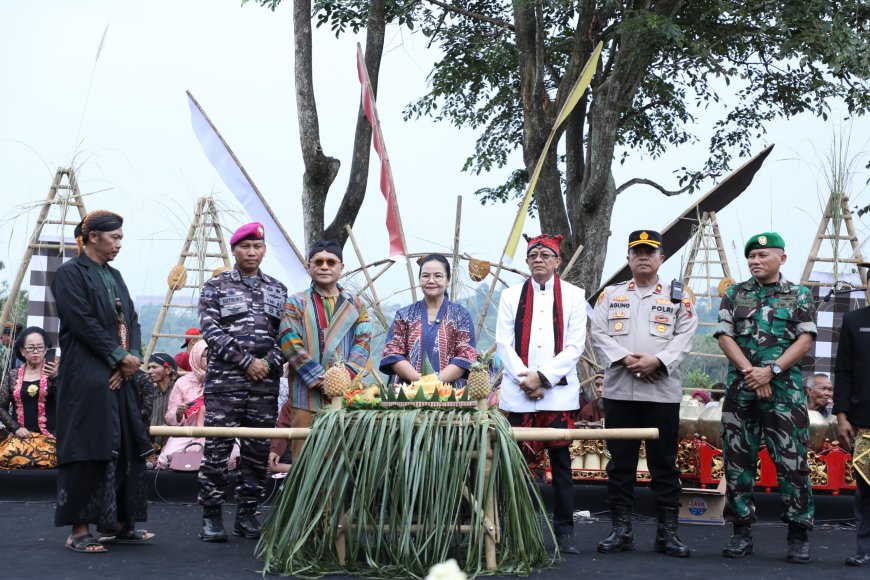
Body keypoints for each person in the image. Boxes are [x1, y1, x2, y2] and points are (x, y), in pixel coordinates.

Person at [50, 210, 154, 553]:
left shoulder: (115, 275)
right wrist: (118, 357)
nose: (120, 244)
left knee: (124, 445)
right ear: (93, 236)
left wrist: (131, 358)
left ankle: (119, 523)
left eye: (121, 237)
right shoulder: (69, 274)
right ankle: (79, 530)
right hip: (85, 376)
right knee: (86, 446)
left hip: (120, 373)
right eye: (115, 237)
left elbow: (131, 320)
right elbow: (81, 322)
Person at [591, 229, 697, 558]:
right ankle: (621, 531)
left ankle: (667, 534)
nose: (643, 257)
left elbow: (686, 334)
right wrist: (627, 359)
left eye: (649, 252)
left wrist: (658, 361)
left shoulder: (678, 296)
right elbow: (598, 332)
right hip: (620, 392)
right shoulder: (611, 295)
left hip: (661, 392)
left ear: (661, 258)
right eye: (637, 252)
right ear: (628, 258)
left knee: (663, 464)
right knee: (620, 464)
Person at [715, 232, 816, 563]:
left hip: (784, 393)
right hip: (741, 390)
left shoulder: (799, 294)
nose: (755, 261)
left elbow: (805, 339)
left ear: (781, 259)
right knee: (737, 463)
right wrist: (752, 373)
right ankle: (741, 532)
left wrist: (770, 371)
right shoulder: (735, 293)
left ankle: (798, 534)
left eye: (762, 255)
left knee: (792, 463)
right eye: (751, 256)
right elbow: (725, 336)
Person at [496, 233, 587, 554]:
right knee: (514, 464)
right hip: (519, 391)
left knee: (561, 464)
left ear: (557, 261)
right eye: (533, 255)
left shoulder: (575, 295)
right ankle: (513, 529)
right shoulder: (510, 296)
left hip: (557, 394)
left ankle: (565, 531)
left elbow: (575, 346)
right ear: (526, 261)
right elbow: (504, 343)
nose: (538, 259)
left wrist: (543, 378)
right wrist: (527, 379)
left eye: (545, 255)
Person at [197, 222, 287, 542]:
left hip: (264, 385)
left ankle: (247, 514)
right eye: (245, 247)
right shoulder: (216, 287)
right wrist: (247, 362)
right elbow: (211, 331)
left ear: (264, 250)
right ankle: (211, 515)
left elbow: (288, 335)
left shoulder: (278, 289)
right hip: (226, 383)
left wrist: (269, 363)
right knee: (217, 450)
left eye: (257, 247)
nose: (252, 252)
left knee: (257, 452)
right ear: (234, 250)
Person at [275, 239, 371, 465]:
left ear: (341, 268)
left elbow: (363, 343)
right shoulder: (296, 303)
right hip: (305, 394)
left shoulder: (357, 305)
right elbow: (290, 343)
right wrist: (323, 381)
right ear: (309, 267)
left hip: (347, 396)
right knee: (304, 461)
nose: (324, 266)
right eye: (318, 262)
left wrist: (343, 381)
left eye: (331, 262)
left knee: (341, 461)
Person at [380, 253, 477, 385]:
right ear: (420, 279)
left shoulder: (461, 315)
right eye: (425, 276)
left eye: (438, 276)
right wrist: (419, 380)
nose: (431, 280)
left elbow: (465, 356)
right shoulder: (404, 315)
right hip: (407, 392)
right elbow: (393, 352)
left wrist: (435, 381)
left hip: (450, 393)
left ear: (448, 280)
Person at [834, 304, 870, 567]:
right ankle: (864, 549)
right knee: (866, 490)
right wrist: (841, 414)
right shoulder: (853, 319)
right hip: (864, 423)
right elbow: (843, 371)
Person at [0, 326, 58, 469]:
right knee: (8, 457)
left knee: (52, 457)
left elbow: (68, 403)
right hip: (20, 438)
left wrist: (56, 379)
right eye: (31, 347)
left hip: (51, 436)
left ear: (46, 350)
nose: (36, 351)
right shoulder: (12, 376)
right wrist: (16, 428)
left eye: (40, 347)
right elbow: (1, 407)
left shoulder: (56, 374)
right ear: (22, 351)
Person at [157, 341, 207, 469]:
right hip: (186, 433)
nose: (210, 359)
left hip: (216, 434)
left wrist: (209, 381)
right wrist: (178, 413)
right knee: (166, 459)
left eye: (213, 355)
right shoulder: (182, 382)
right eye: (205, 356)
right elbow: (169, 416)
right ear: (196, 356)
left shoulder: (221, 382)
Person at [146, 352, 178, 453]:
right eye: (149, 368)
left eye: (154, 367)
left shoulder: (179, 392)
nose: (150, 371)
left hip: (174, 449)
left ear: (168, 370)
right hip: (152, 450)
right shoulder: (149, 393)